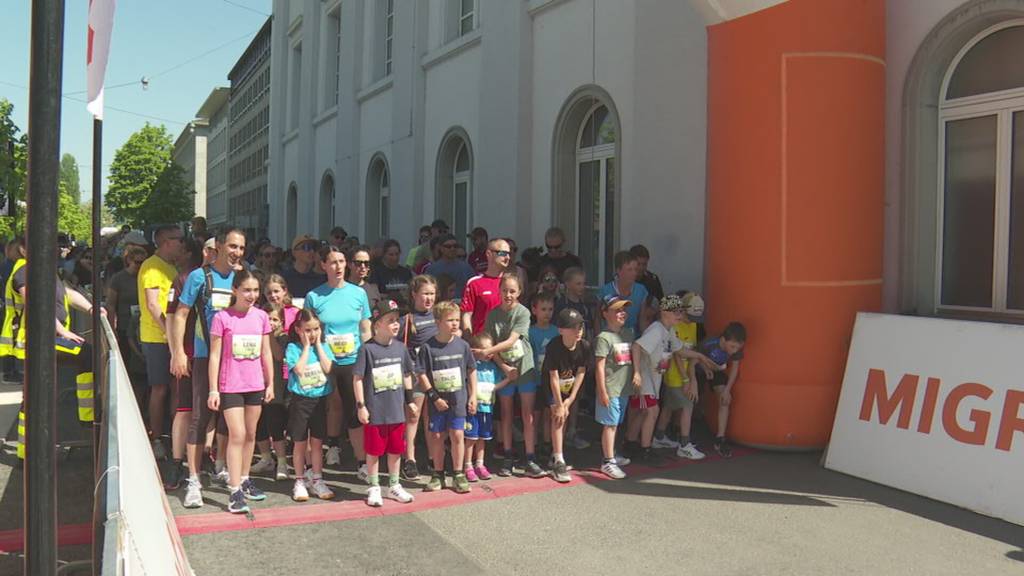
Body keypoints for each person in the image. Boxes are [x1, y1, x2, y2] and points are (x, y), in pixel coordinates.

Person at [171, 227, 246, 509]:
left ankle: (230, 472)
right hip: (205, 356)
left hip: (237, 358)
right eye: (233, 246)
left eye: (241, 247)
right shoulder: (199, 276)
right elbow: (180, 314)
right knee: (200, 417)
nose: (237, 252)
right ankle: (193, 479)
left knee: (232, 419)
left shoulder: (242, 277)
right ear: (219, 246)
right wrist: (178, 351)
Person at [208, 269, 273, 514]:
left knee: (250, 434)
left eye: (255, 290)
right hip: (231, 385)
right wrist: (213, 389)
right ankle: (234, 490)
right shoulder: (222, 317)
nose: (251, 295)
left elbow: (266, 352)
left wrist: (270, 383)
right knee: (237, 434)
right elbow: (215, 355)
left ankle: (244, 479)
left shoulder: (261, 316)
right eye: (246, 290)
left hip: (255, 384)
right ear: (235, 290)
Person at [304, 245, 372, 474]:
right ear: (324, 265)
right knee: (331, 406)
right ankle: (331, 447)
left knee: (355, 410)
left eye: (342, 261)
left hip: (352, 360)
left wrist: (368, 357)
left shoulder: (358, 293)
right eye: (333, 262)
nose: (338, 266)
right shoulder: (314, 296)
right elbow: (309, 330)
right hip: (326, 360)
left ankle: (362, 462)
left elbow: (365, 328)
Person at [354, 299, 418, 507]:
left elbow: (406, 374)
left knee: (395, 450)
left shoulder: (400, 348)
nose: (396, 324)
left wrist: (410, 401)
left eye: (397, 320)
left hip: (396, 411)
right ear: (377, 324)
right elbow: (358, 378)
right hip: (375, 411)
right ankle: (374, 486)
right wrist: (361, 406)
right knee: (373, 452)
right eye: (390, 320)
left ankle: (394, 484)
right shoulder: (367, 350)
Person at [478, 273, 542, 478]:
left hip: (524, 368)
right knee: (505, 413)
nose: (508, 295)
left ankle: (530, 457)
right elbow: (490, 342)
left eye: (512, 291)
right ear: (499, 291)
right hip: (503, 369)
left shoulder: (523, 312)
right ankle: (507, 456)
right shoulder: (493, 315)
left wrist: (488, 351)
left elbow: (512, 340)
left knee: (527, 414)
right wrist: (503, 367)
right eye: (505, 290)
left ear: (519, 292)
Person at [416, 300, 477, 494]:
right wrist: (434, 397)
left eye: (457, 320)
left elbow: (471, 369)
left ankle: (458, 474)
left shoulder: (463, 346)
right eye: (450, 320)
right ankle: (438, 474)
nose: (455, 324)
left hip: (458, 399)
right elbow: (421, 373)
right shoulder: (428, 347)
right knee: (437, 436)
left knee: (457, 434)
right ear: (438, 322)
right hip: (438, 402)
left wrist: (473, 395)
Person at [137, 225, 185, 459]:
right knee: (160, 388)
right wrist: (170, 330)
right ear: (167, 242)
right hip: (156, 338)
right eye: (179, 240)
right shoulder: (152, 267)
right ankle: (156, 437)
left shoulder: (170, 266)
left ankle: (175, 437)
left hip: (170, 338)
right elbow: (153, 304)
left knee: (175, 387)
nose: (182, 244)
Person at [626, 294, 688, 466]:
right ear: (664, 312)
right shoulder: (656, 330)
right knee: (652, 412)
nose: (680, 315)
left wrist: (702, 358)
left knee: (643, 413)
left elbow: (680, 350)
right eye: (676, 312)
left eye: (681, 311)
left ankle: (630, 443)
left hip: (654, 381)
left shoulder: (669, 331)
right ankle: (645, 449)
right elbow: (637, 346)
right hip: (645, 380)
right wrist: (637, 373)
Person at [284, 308, 337, 501]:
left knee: (317, 443)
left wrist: (319, 345)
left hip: (319, 400)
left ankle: (317, 478)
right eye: (307, 330)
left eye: (316, 329)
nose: (312, 334)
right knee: (300, 443)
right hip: (300, 401)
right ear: (298, 330)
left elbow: (328, 368)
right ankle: (299, 480)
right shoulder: (293, 348)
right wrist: (306, 347)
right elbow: (298, 369)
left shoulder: (324, 347)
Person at [653, 292, 709, 459]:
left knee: (669, 407)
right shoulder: (674, 326)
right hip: (675, 375)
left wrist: (697, 370)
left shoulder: (693, 326)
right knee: (687, 406)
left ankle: (659, 437)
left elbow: (691, 352)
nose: (692, 321)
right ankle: (684, 445)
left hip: (683, 374)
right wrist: (686, 379)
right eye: (689, 316)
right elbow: (677, 354)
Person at [541, 308, 590, 483]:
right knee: (558, 416)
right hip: (552, 386)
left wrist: (570, 399)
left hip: (569, 386)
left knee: (565, 415)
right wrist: (559, 404)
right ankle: (558, 460)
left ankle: (555, 452)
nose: (578, 330)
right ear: (561, 330)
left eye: (580, 326)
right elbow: (553, 377)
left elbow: (581, 372)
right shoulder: (554, 346)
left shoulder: (584, 346)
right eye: (573, 327)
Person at [397, 275, 438, 481]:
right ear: (414, 295)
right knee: (413, 417)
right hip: (416, 376)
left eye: (432, 294)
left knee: (432, 418)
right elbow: (396, 348)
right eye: (425, 294)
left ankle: (433, 457)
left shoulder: (439, 315)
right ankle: (409, 459)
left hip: (436, 375)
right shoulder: (407, 320)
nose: (429, 298)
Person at [594, 295, 638, 479]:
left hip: (623, 388)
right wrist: (602, 391)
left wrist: (636, 374)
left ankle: (611, 453)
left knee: (616, 422)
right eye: (617, 310)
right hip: (610, 389)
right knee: (610, 425)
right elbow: (599, 366)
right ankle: (608, 461)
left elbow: (633, 355)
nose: (622, 313)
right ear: (605, 313)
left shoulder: (628, 333)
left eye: (624, 310)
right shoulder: (603, 338)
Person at [250, 304, 291, 481]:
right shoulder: (254, 335)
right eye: (267, 319)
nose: (271, 322)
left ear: (281, 322)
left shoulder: (282, 338)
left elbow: (279, 356)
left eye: (274, 319)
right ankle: (266, 458)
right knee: (259, 425)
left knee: (276, 424)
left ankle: (282, 462)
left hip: (275, 389)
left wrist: (268, 335)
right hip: (255, 385)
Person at [696, 321, 747, 459]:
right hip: (699, 370)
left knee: (724, 400)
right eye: (732, 347)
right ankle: (679, 431)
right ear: (723, 340)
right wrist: (705, 368)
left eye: (738, 348)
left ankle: (720, 438)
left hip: (717, 371)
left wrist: (727, 390)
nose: (734, 351)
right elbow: (695, 358)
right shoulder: (709, 343)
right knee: (691, 399)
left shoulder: (736, 350)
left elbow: (735, 368)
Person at [464, 333, 504, 482]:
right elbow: (468, 383)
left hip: (487, 408)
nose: (488, 352)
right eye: (484, 349)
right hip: (474, 408)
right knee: (471, 437)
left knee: (482, 437)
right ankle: (468, 465)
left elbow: (495, 385)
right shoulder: (472, 366)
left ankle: (480, 464)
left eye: (490, 349)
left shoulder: (493, 368)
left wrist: (508, 379)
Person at [525, 292, 559, 461]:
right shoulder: (530, 332)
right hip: (535, 379)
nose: (547, 313)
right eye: (543, 309)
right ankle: (534, 445)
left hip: (550, 380)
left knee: (548, 413)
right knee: (534, 415)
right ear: (534, 310)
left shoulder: (556, 331)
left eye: (550, 309)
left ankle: (547, 444)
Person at [461, 238, 511, 335]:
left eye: (509, 253)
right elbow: (466, 315)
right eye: (503, 253)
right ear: (489, 254)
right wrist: (470, 339)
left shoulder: (511, 283)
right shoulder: (474, 283)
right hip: (481, 341)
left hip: (505, 341)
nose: (507, 257)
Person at [598, 251, 651, 334]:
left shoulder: (641, 290)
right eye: (629, 270)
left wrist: (646, 338)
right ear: (618, 270)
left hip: (633, 336)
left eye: (635, 269)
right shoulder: (606, 291)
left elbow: (642, 320)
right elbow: (598, 319)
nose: (634, 273)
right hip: (610, 335)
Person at [425, 233, 475, 299]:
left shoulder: (466, 268)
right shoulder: (432, 269)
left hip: (462, 303)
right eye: (448, 246)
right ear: (441, 248)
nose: (452, 249)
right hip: (440, 303)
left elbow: (473, 288)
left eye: (455, 246)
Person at [281, 234, 327, 299]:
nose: (312, 251)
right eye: (306, 247)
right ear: (294, 252)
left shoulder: (321, 280)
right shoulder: (284, 278)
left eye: (314, 248)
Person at [347, 245, 382, 310]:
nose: (363, 267)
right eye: (358, 263)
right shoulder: (341, 289)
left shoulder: (373, 289)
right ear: (349, 264)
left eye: (366, 263)